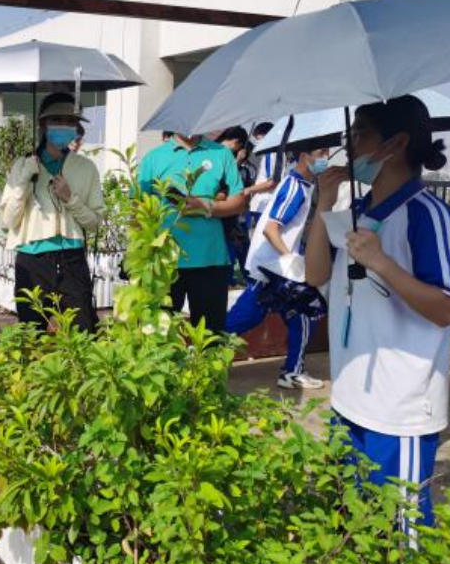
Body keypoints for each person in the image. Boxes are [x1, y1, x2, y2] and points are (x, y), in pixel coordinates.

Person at [305, 95, 450, 538]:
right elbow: (315, 274)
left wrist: (382, 263)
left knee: (399, 535)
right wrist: (324, 202)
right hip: (350, 396)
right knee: (352, 525)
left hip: (399, 408)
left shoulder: (428, 216)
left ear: (396, 143)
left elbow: (445, 308)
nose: (350, 147)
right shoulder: (358, 214)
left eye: (360, 135)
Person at [226, 147, 329, 390]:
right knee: (246, 317)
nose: (325, 158)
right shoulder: (295, 187)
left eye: (327, 152)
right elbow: (271, 229)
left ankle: (293, 371)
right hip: (273, 269)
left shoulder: (301, 184)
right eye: (320, 152)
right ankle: (203, 351)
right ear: (304, 155)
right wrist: (291, 258)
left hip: (273, 268)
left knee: (302, 314)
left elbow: (289, 225)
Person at [0, 93, 103, 331]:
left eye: (70, 121)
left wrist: (70, 199)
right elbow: (8, 220)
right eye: (56, 120)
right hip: (32, 260)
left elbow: (94, 223)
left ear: (77, 128)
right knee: (32, 332)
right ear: (43, 124)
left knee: (83, 330)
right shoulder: (23, 165)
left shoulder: (86, 168)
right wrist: (25, 178)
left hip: (72, 259)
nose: (63, 127)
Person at [138, 131, 246, 333]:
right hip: (163, 261)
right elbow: (137, 210)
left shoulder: (221, 154)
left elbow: (240, 202)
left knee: (210, 337)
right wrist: (139, 254)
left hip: (210, 258)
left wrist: (205, 206)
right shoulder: (153, 158)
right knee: (157, 336)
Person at [216, 126, 254, 285]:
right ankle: (228, 278)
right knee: (229, 245)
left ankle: (233, 277)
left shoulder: (214, 151)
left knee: (234, 244)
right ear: (237, 142)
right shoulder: (221, 154)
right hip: (223, 211)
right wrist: (237, 161)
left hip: (226, 212)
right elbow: (226, 181)